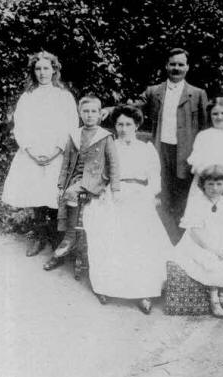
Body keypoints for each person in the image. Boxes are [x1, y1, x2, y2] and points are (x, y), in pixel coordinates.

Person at [84, 105, 173, 314]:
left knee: (142, 236)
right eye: (120, 124)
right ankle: (107, 286)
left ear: (137, 125)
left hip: (139, 196)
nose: (124, 129)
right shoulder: (108, 146)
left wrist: (147, 195)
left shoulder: (146, 149)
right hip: (113, 194)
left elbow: (154, 180)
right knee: (107, 230)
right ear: (114, 126)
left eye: (128, 124)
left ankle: (144, 291)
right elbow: (97, 177)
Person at [107, 48, 208, 217]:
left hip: (186, 154)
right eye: (173, 64)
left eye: (181, 64)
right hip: (160, 150)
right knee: (161, 195)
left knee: (183, 198)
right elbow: (132, 107)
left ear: (187, 67)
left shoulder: (198, 94)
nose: (176, 68)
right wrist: (111, 109)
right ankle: (162, 236)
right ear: (166, 66)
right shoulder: (154, 92)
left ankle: (180, 238)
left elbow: (205, 129)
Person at [2, 51, 79, 256]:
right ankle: (38, 236)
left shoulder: (64, 96)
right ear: (33, 71)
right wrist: (31, 151)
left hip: (56, 153)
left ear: (54, 70)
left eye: (46, 68)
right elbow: (20, 125)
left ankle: (55, 236)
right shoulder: (27, 97)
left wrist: (56, 152)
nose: (42, 72)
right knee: (35, 195)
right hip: (32, 154)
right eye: (38, 69)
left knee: (53, 195)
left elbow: (71, 125)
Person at [43, 94, 120, 271]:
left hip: (95, 179)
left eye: (94, 111)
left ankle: (69, 237)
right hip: (75, 178)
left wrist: (115, 187)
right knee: (64, 193)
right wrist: (61, 184)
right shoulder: (75, 135)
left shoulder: (105, 136)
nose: (90, 115)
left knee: (71, 193)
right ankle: (65, 242)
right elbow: (66, 162)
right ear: (80, 113)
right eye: (85, 111)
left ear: (101, 114)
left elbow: (114, 163)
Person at [171, 165, 223, 318]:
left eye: (219, 184)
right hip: (202, 242)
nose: (214, 188)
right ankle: (214, 299)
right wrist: (211, 248)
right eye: (210, 184)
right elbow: (194, 230)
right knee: (209, 260)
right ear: (203, 184)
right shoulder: (198, 202)